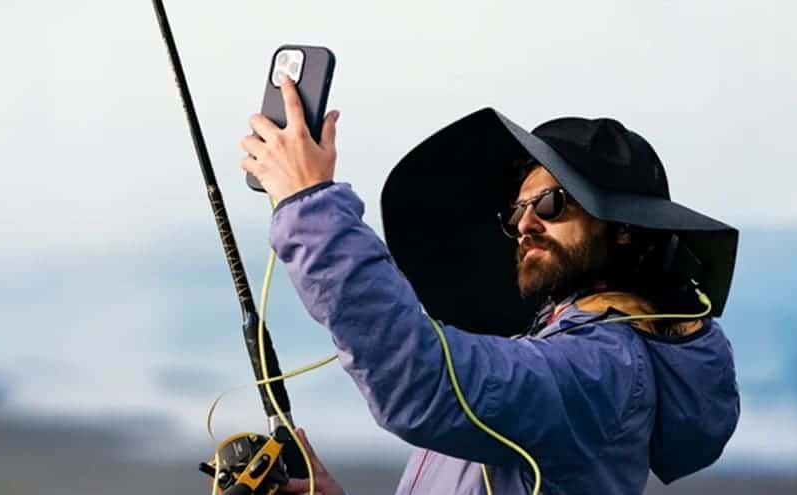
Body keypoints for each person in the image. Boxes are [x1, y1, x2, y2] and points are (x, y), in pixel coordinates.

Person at [240, 77, 740, 495]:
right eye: (517, 212)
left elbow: (422, 381)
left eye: (550, 204)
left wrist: (310, 203)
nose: (526, 224)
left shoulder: (601, 366)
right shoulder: (568, 355)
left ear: (624, 226)